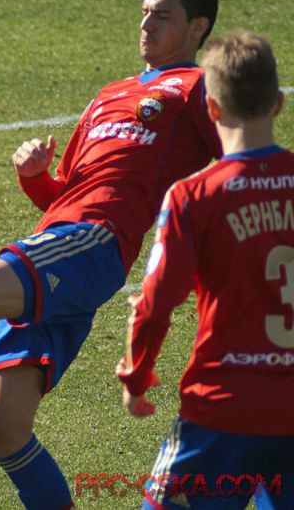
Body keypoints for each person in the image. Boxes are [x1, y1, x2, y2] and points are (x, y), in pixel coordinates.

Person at [0, 0, 222, 509]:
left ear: (197, 28)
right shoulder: (109, 94)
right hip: (59, 245)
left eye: (163, 16)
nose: (146, 25)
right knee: (4, 429)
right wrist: (35, 176)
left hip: (94, 243)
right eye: (145, 12)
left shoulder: (197, 88)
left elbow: (237, 161)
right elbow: (65, 192)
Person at [116, 33, 293, 509]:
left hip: (223, 407)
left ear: (211, 108)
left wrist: (137, 375)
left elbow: (154, 304)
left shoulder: (193, 197)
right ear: (278, 104)